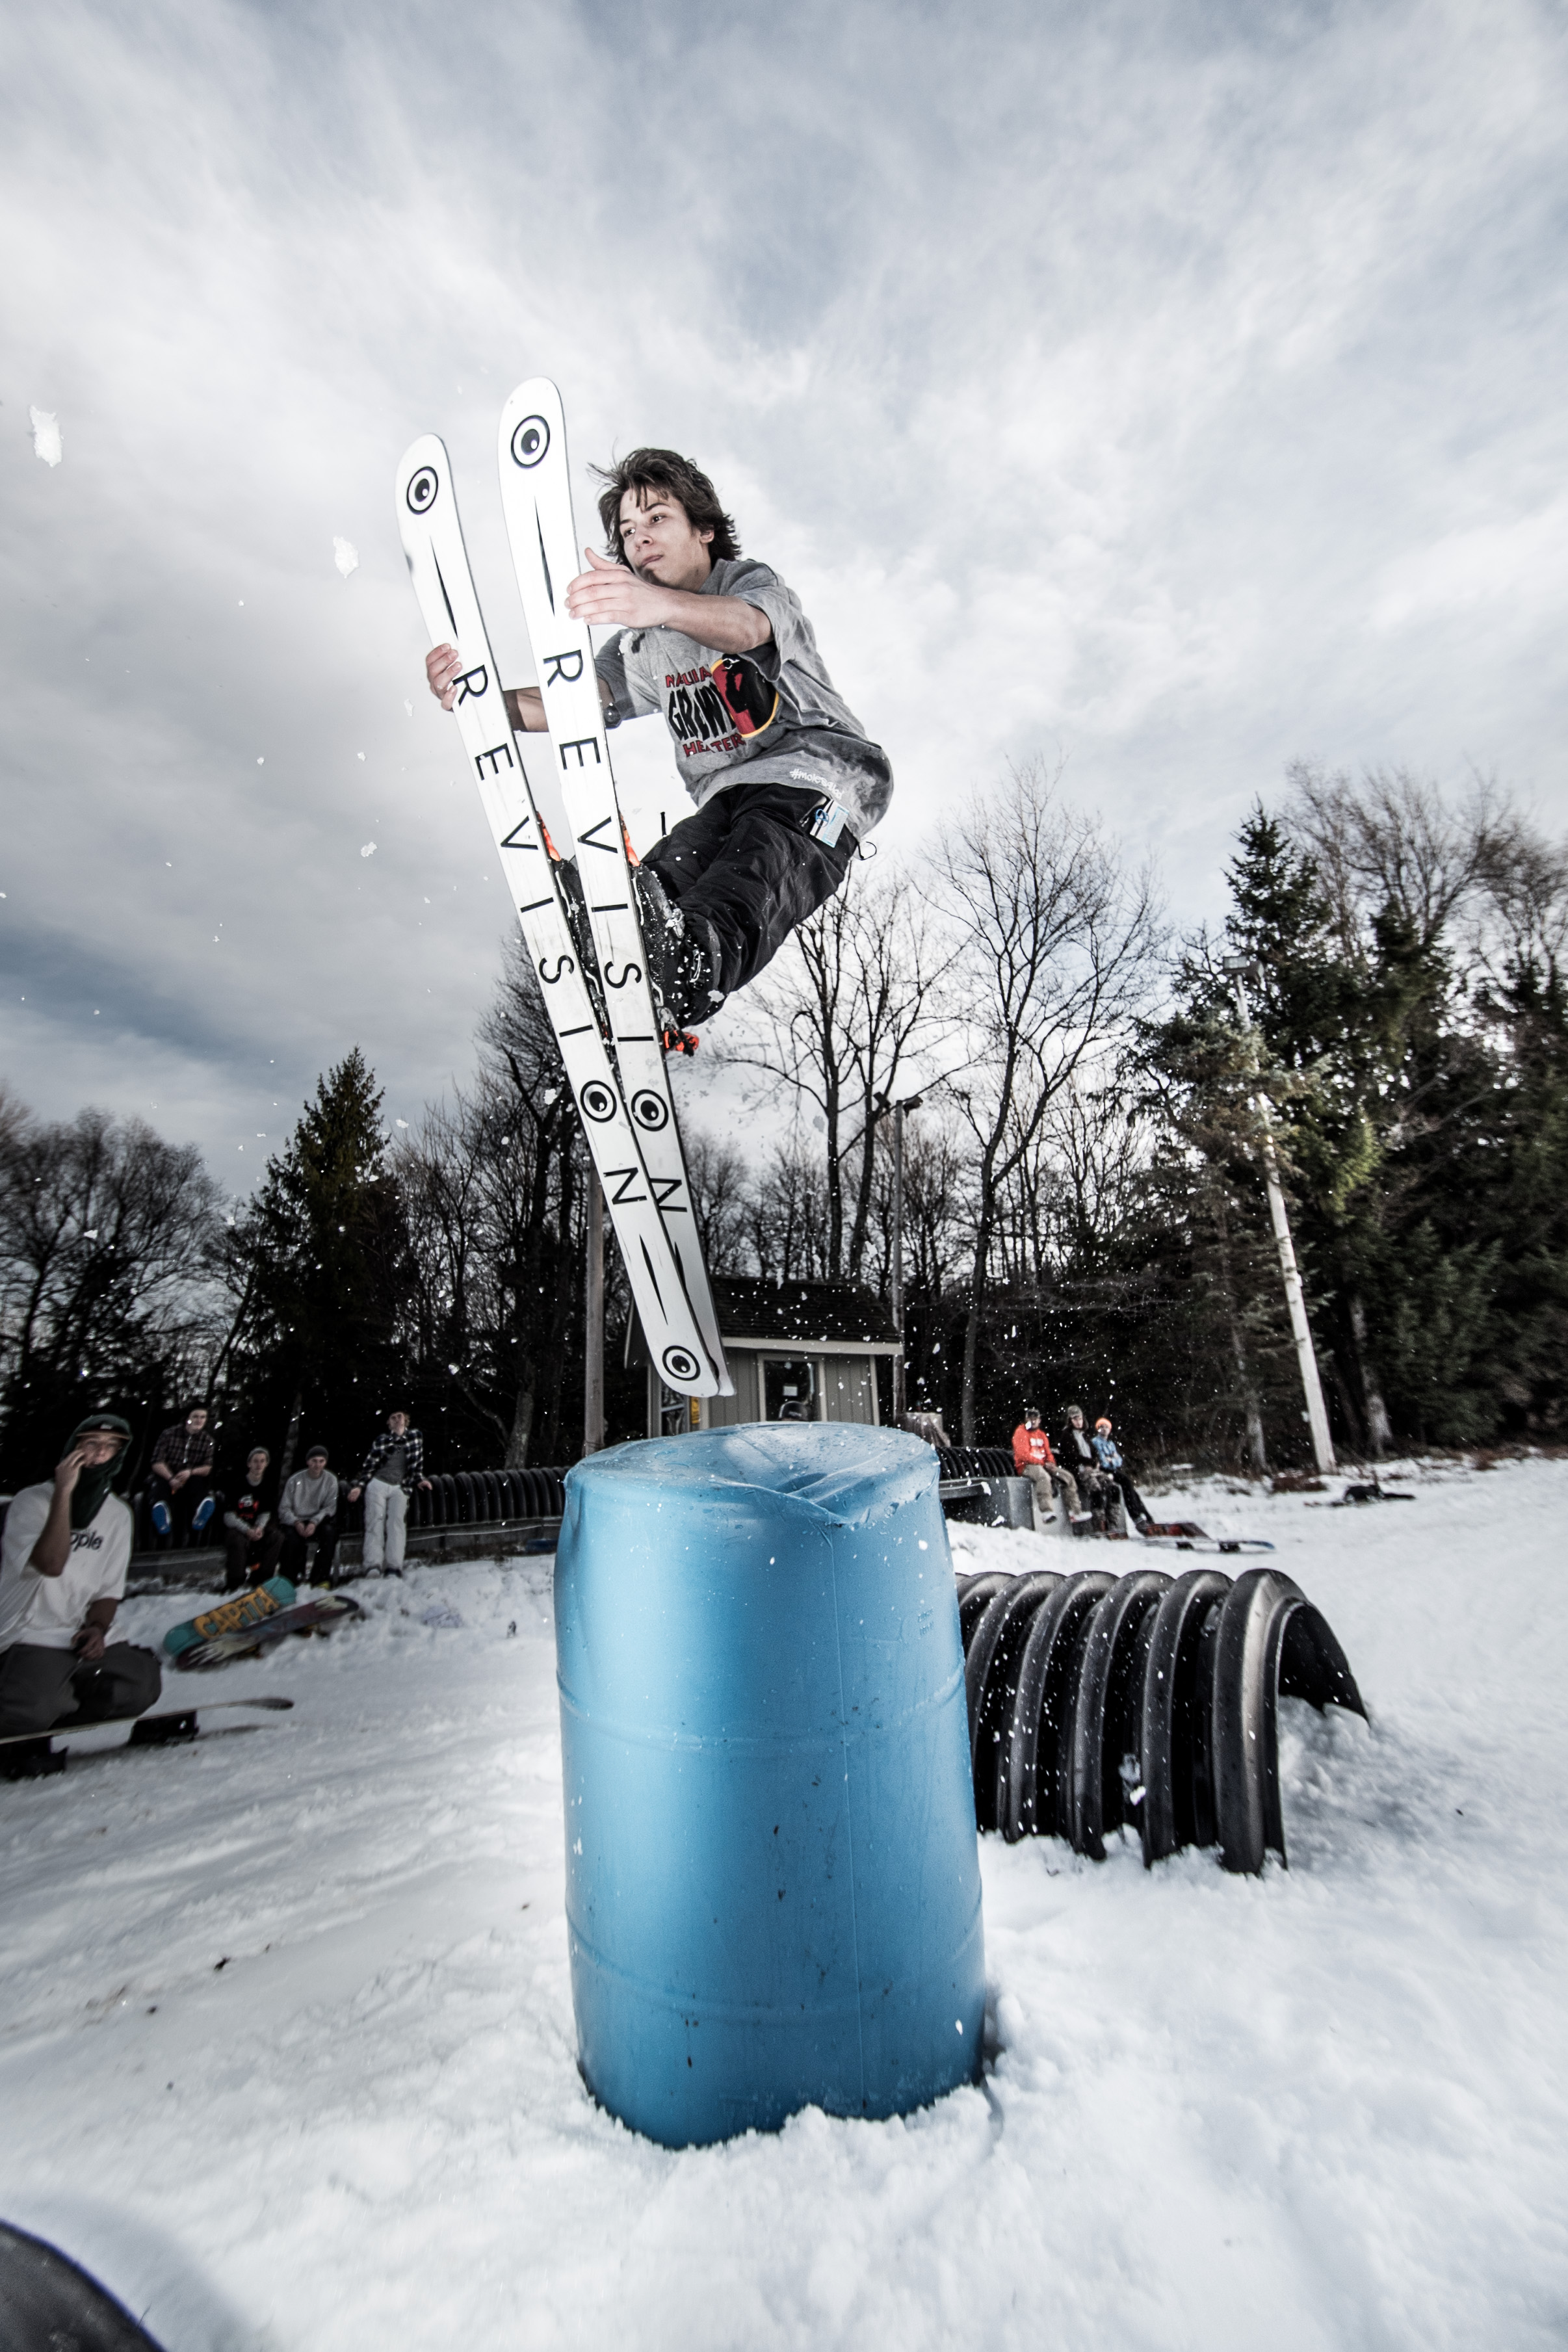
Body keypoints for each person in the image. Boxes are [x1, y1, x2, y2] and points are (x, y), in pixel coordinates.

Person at [426, 447, 893, 1032]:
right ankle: (615, 947)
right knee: (661, 886)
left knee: (748, 874)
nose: (639, 538)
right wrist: (478, 699)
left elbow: (750, 626)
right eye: (627, 531)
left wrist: (659, 605)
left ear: (704, 530)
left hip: (821, 779)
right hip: (726, 795)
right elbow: (570, 704)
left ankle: (692, 970)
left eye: (656, 519)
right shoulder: (636, 647)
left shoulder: (748, 583)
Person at [0, 1414, 162, 1744]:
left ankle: (57, 1704)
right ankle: (36, 1707)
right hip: (31, 1632)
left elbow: (108, 1590)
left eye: (110, 1447)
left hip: (75, 1635)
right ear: (73, 1448)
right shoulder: (31, 1501)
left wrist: (98, 1629)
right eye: (91, 1444)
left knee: (142, 1686)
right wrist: (63, 1494)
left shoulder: (118, 1515)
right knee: (31, 1711)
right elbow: (51, 1563)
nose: (100, 1454)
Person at [346, 1409, 432, 1580]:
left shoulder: (415, 1437)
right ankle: (373, 1565)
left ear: (406, 1420)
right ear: (389, 1423)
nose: (397, 1420)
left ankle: (394, 1566)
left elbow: (417, 1464)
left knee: (396, 1523)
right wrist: (360, 1486)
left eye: (400, 1416)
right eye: (393, 1418)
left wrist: (420, 1480)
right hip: (379, 1483)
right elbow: (370, 1465)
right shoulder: (383, 1440)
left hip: (400, 1486)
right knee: (374, 1522)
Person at [149, 1403, 215, 1547]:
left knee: (197, 1482)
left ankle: (201, 1512)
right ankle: (162, 1514)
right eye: (196, 1417)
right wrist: (171, 1478)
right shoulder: (169, 1434)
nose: (199, 1420)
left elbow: (207, 1467)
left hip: (190, 1477)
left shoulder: (207, 1441)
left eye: (203, 1417)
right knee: (161, 1485)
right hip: (168, 1475)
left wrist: (190, 1472)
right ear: (188, 1419)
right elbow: (157, 1462)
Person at [1011, 1404, 1086, 1529]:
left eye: (1036, 1418)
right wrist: (1041, 1463)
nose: (1033, 1421)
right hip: (1027, 1466)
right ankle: (1047, 1511)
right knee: (1043, 1477)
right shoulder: (1021, 1432)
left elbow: (1048, 1452)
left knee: (1068, 1477)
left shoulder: (1041, 1435)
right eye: (1030, 1419)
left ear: (1039, 1420)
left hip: (1043, 1465)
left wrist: (1051, 1463)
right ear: (1026, 1420)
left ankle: (1075, 1512)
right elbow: (1022, 1454)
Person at [276, 1446, 341, 1589]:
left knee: (330, 1534)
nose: (317, 1465)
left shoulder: (330, 1480)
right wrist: (296, 1522)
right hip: (296, 1519)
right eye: (314, 1461)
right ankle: (289, 1578)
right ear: (308, 1462)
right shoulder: (295, 1480)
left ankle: (320, 1578)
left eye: (321, 1461)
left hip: (318, 1520)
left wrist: (314, 1522)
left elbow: (330, 1507)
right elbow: (284, 1508)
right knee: (290, 1539)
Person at [1056, 1402, 1123, 1532]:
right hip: (1080, 1471)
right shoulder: (1067, 1436)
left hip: (1093, 1471)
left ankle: (1113, 1522)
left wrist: (1095, 1462)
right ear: (1070, 1420)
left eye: (1080, 1418)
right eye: (1075, 1419)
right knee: (1096, 1490)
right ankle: (1100, 1523)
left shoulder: (1086, 1435)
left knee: (1114, 1488)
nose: (1078, 1422)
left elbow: (1095, 1453)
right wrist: (1090, 1462)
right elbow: (1072, 1456)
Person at [222, 1447, 278, 1590]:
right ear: (249, 1464)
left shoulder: (268, 1485)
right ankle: (235, 1582)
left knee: (277, 1537)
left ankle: (263, 1578)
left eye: (262, 1461)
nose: (259, 1465)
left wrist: (259, 1528)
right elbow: (228, 1516)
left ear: (266, 1464)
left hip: (256, 1527)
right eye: (256, 1461)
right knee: (237, 1540)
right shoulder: (237, 1484)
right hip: (238, 1527)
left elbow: (265, 1512)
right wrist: (247, 1530)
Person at [1090, 1416, 1153, 1534]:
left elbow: (1119, 1461)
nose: (1104, 1429)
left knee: (1132, 1491)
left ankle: (1146, 1517)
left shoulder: (1111, 1443)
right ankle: (1135, 1516)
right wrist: (1111, 1460)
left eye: (1106, 1427)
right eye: (1101, 1427)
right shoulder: (1095, 1442)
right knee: (1126, 1482)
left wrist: (1112, 1460)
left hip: (1113, 1470)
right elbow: (1102, 1461)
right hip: (1104, 1470)